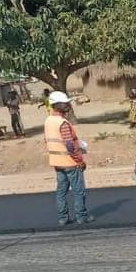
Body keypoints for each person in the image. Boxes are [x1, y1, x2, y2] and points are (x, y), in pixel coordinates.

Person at [45, 91, 92, 226]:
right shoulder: (63, 123)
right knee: (78, 190)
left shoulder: (48, 121)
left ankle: (63, 218)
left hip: (57, 162)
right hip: (70, 163)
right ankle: (81, 216)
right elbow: (70, 145)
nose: (68, 105)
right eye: (65, 103)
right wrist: (80, 160)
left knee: (61, 191)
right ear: (56, 105)